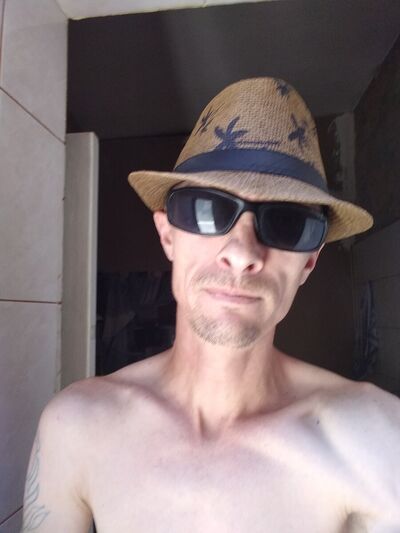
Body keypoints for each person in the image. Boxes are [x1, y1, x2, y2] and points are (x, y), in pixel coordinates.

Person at [21, 78, 400, 532]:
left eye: (288, 222)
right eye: (206, 210)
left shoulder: (377, 438)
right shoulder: (74, 427)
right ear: (168, 236)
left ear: (309, 262)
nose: (241, 254)